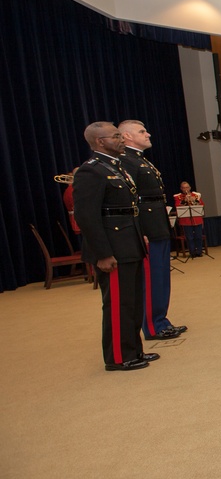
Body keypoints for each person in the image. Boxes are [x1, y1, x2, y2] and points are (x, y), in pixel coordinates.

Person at [72, 122, 150, 371]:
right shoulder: (90, 171)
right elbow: (86, 216)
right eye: (115, 136)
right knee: (119, 303)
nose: (120, 139)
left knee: (133, 301)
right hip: (113, 248)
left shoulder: (116, 167)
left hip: (130, 243)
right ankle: (118, 357)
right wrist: (102, 254)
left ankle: (134, 350)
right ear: (99, 142)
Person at [119, 119, 186, 341]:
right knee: (151, 278)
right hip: (147, 226)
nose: (148, 134)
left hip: (157, 223)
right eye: (142, 131)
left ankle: (161, 320)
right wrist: (139, 230)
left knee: (160, 275)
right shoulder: (126, 161)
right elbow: (130, 200)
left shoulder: (141, 161)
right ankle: (153, 326)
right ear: (127, 136)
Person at [174, 181, 205, 257]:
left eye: (187, 187)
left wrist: (194, 200)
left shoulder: (196, 195)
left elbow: (202, 205)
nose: (185, 189)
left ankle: (199, 251)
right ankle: (192, 252)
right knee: (189, 237)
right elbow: (177, 206)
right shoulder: (178, 197)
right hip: (186, 221)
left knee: (198, 236)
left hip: (197, 219)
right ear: (181, 188)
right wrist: (184, 201)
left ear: (190, 188)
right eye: (184, 188)